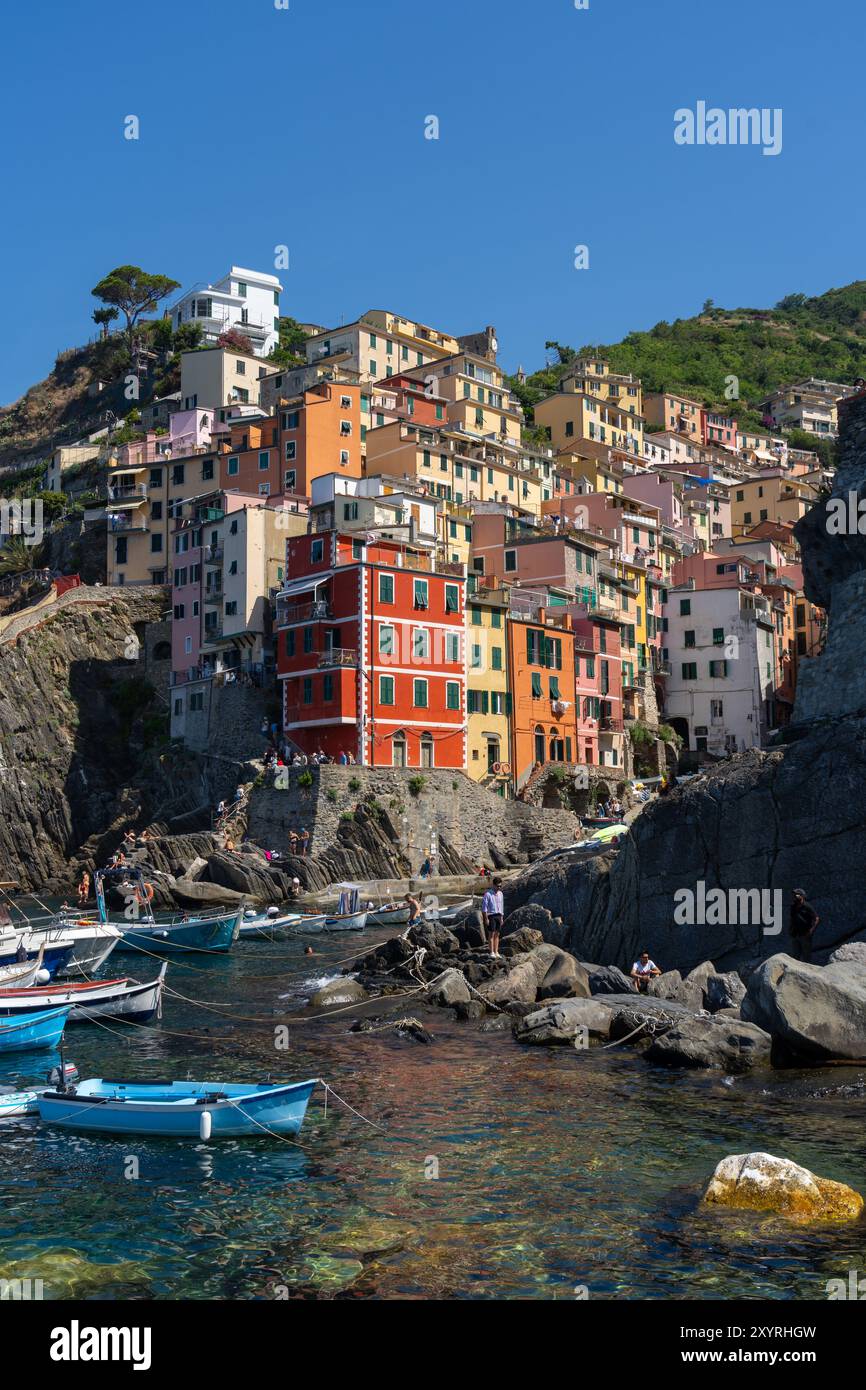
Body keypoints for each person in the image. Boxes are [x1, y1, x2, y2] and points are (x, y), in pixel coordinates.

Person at [789, 889, 819, 962]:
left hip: (805, 934)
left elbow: (816, 918)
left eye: (797, 894)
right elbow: (792, 918)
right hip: (795, 934)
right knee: (795, 957)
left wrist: (811, 931)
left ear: (802, 896)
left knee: (806, 957)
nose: (795, 896)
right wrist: (790, 929)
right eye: (794, 895)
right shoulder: (793, 906)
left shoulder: (807, 906)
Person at [481, 876, 505, 959]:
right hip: (491, 915)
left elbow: (501, 906)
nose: (499, 888)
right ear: (493, 885)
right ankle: (491, 952)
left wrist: (502, 917)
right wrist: (486, 918)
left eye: (500, 886)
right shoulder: (488, 894)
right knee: (491, 934)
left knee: (497, 934)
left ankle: (496, 951)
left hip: (499, 915)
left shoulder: (500, 894)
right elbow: (484, 908)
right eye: (498, 886)